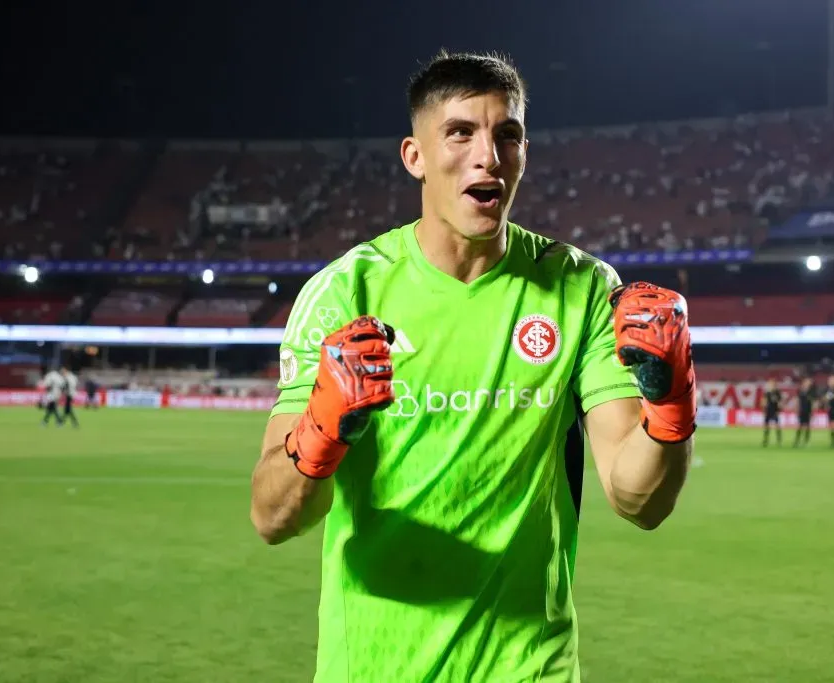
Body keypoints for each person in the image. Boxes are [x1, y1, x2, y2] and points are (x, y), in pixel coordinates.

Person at [250, 51, 697, 683]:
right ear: (416, 157)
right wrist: (323, 428)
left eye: (506, 134)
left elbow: (637, 498)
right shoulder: (344, 293)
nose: (488, 154)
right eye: (460, 132)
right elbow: (272, 517)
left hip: (529, 664)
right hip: (374, 666)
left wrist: (671, 403)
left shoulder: (583, 287)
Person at [793, 377, 816, 448]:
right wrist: (796, 409)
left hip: (808, 411)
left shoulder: (812, 391)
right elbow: (797, 401)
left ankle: (806, 441)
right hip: (801, 411)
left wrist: (813, 411)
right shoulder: (800, 391)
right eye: (806, 382)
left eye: (809, 382)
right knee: (800, 426)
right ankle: (797, 441)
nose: (808, 383)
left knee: (807, 426)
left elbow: (813, 403)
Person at [762, 378, 782, 447]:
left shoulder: (777, 393)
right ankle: (765, 440)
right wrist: (764, 409)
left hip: (774, 411)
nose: (770, 385)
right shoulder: (767, 393)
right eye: (770, 384)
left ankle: (779, 439)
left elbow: (779, 402)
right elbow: (764, 401)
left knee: (777, 426)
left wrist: (778, 410)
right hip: (768, 411)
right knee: (767, 426)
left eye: (772, 384)